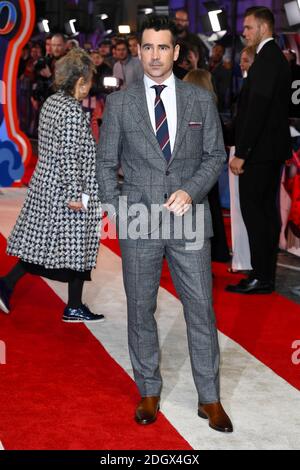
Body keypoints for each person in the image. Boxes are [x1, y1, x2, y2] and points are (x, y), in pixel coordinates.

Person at [96, 15, 233, 432]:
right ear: (140, 51)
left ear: (176, 53)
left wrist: (191, 190)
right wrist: (116, 208)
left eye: (163, 48)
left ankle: (209, 398)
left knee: (201, 309)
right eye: (148, 48)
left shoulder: (199, 100)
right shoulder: (120, 103)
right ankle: (148, 390)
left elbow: (215, 155)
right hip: (139, 218)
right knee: (141, 308)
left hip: (188, 217)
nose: (155, 56)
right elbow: (105, 162)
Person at [0, 49, 103, 323]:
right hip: (65, 188)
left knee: (45, 247)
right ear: (80, 80)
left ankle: (70, 303)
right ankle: (73, 306)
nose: (90, 86)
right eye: (89, 80)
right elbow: (70, 154)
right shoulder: (70, 110)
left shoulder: (53, 102)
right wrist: (74, 194)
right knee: (74, 247)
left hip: (47, 184)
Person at [227, 7, 291, 294]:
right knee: (264, 212)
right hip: (268, 150)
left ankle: (261, 276)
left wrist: (243, 152)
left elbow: (258, 110)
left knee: (257, 214)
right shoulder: (272, 57)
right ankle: (263, 275)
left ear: (264, 28)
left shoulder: (267, 59)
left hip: (260, 152)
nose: (244, 33)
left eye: (249, 28)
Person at [183, 69, 230, 262]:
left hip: (190, 170)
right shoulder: (210, 108)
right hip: (208, 169)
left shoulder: (185, 109)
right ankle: (215, 252)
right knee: (210, 211)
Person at [228, 46, 255, 274]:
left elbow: (245, 123)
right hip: (241, 150)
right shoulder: (247, 86)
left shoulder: (251, 88)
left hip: (243, 153)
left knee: (244, 211)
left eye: (245, 61)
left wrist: (240, 154)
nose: (241, 65)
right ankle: (244, 259)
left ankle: (245, 261)